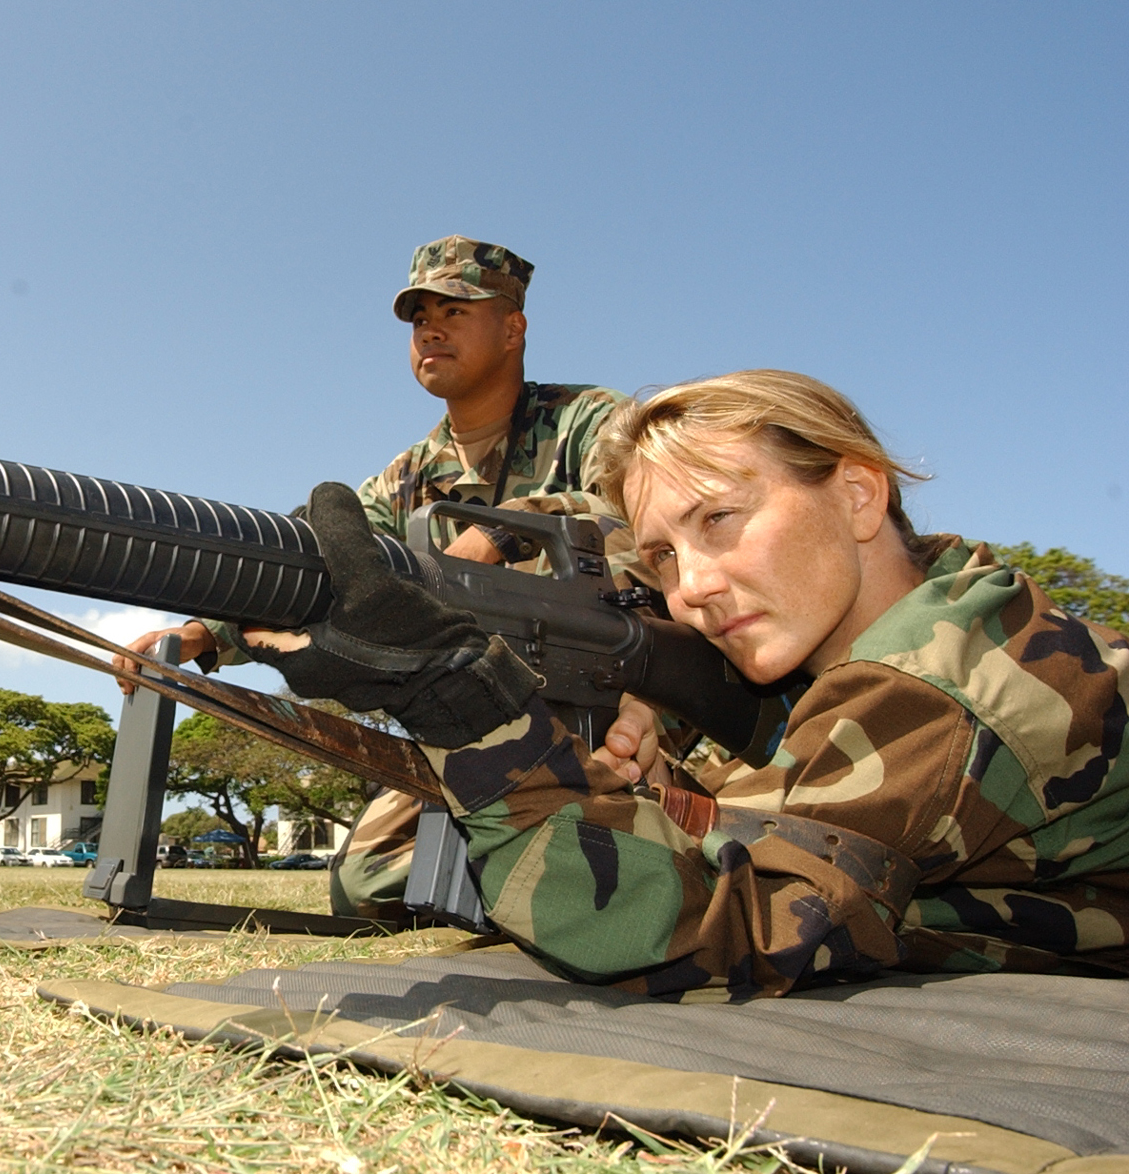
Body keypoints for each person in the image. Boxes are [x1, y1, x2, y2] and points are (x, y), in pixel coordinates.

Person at [232, 369, 1129, 997]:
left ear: (858, 495)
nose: (691, 586)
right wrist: (667, 791)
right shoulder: (905, 634)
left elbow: (720, 931)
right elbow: (806, 832)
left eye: (723, 520)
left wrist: (461, 707)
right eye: (662, 553)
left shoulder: (942, 688)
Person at [117, 235, 628, 920]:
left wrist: (505, 530)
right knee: (365, 884)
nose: (431, 330)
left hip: (616, 707)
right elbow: (319, 565)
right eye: (419, 319)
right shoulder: (406, 479)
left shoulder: (590, 421)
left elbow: (641, 507)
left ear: (513, 327)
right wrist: (198, 637)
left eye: (456, 310)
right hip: (481, 714)